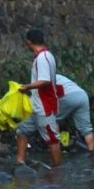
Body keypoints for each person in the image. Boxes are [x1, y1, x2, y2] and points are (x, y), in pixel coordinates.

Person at [15, 28, 62, 167]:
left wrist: (26, 87)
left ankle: (57, 170)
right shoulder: (44, 56)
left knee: (52, 139)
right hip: (35, 104)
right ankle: (20, 162)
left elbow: (45, 81)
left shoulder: (43, 58)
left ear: (28, 43)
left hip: (45, 106)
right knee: (22, 130)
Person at [56, 75, 94, 154]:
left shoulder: (44, 78)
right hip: (82, 95)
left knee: (53, 120)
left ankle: (56, 147)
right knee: (86, 130)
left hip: (68, 95)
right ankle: (92, 154)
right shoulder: (60, 77)